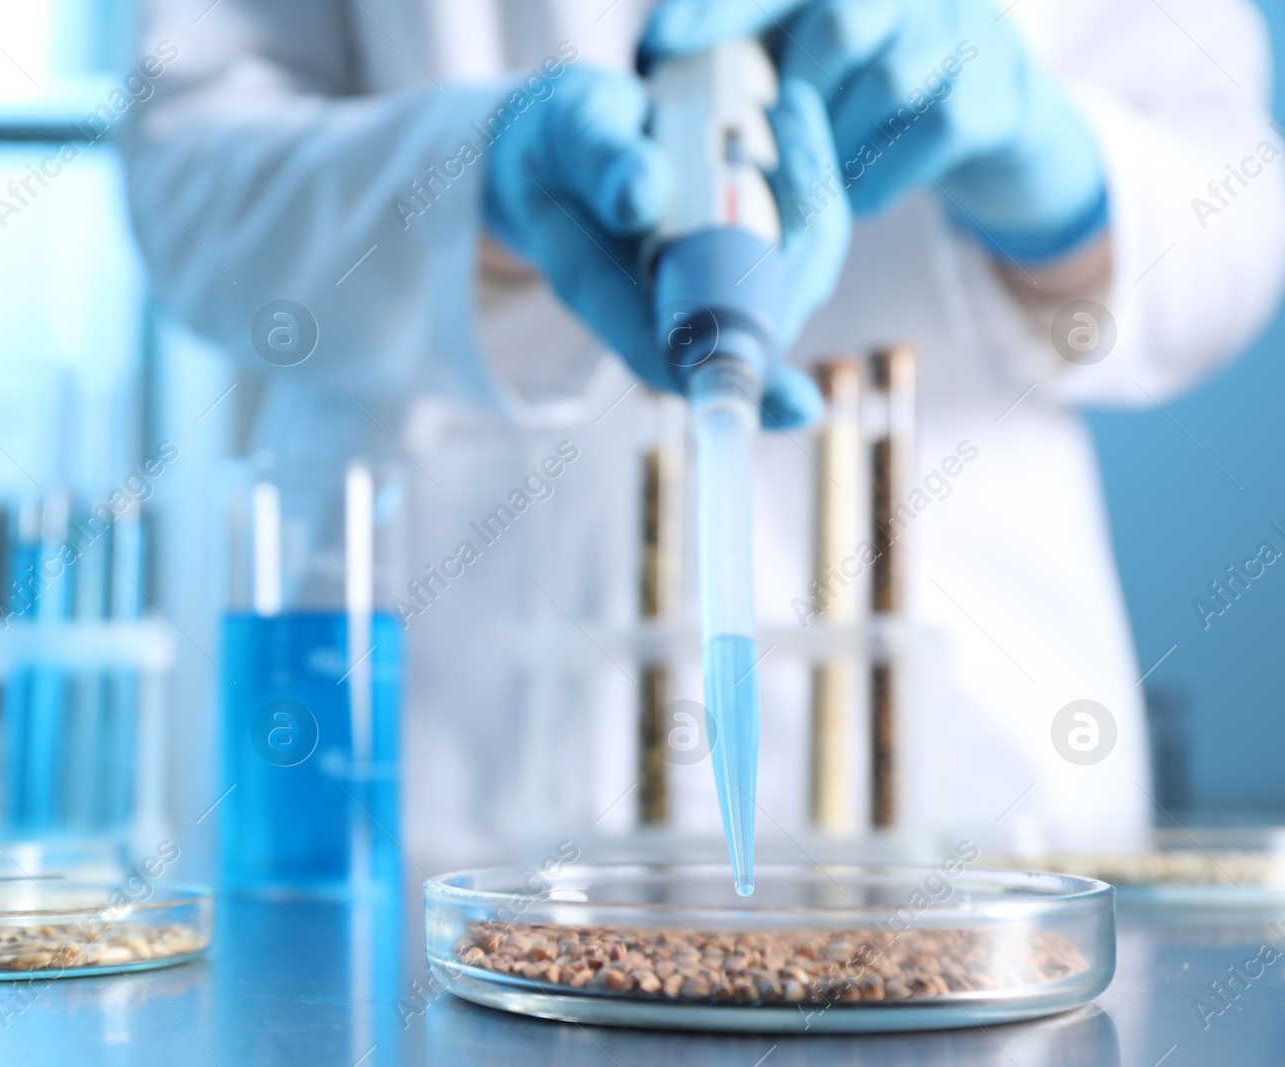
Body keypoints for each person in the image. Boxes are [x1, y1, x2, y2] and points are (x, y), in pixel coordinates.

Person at [124, 0, 1285, 863]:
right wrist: (469, 187)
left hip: (965, 768)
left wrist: (1059, 172)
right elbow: (189, 182)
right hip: (450, 762)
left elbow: (1231, 220)